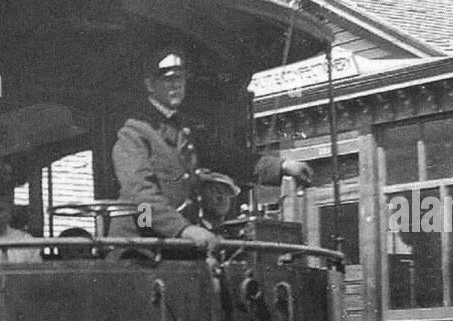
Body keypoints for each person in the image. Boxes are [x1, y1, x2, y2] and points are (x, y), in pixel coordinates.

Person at [111, 44, 313, 245]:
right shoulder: (134, 132)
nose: (176, 85)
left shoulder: (185, 129)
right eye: (167, 78)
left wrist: (283, 166)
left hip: (173, 242)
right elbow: (140, 193)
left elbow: (229, 159)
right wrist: (184, 229)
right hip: (140, 245)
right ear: (150, 84)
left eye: (180, 78)